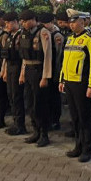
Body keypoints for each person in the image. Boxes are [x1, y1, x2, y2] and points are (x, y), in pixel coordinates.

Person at [59, 9, 91, 163]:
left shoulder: (90, 40)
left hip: (82, 84)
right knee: (74, 117)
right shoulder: (70, 39)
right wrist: (62, 81)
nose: (72, 24)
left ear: (83, 21)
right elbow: (65, 62)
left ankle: (87, 149)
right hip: (69, 82)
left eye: (75, 21)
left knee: (84, 117)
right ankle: (78, 145)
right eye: (70, 21)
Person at [18, 10, 53, 147]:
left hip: (39, 71)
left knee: (40, 104)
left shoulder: (43, 33)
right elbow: (24, 57)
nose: (24, 24)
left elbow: (48, 56)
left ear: (33, 19)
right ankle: (36, 131)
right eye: (22, 21)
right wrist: (22, 73)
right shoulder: (25, 33)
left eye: (25, 21)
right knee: (30, 103)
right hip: (28, 70)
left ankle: (44, 134)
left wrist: (45, 77)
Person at [0, 11, 27, 135]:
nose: (6, 26)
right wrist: (4, 70)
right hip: (10, 67)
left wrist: (22, 73)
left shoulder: (21, 36)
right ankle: (15, 122)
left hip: (17, 67)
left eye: (8, 23)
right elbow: (6, 56)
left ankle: (20, 125)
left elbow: (24, 57)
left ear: (16, 22)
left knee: (17, 96)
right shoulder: (10, 36)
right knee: (11, 95)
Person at [39, 12, 64, 131]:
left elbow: (59, 54)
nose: (44, 26)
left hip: (55, 69)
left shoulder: (57, 34)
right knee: (47, 96)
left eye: (46, 23)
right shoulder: (44, 32)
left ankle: (55, 120)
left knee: (54, 96)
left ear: (51, 22)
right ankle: (49, 118)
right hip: (48, 68)